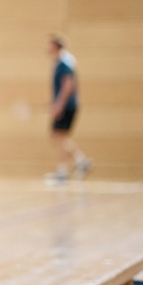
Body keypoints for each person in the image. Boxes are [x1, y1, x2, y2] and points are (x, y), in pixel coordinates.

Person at [45, 35, 91, 182]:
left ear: (56, 46)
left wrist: (59, 104)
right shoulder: (61, 61)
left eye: (49, 44)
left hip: (67, 105)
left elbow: (68, 85)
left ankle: (64, 170)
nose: (47, 47)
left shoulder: (65, 62)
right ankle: (80, 161)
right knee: (59, 136)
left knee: (58, 135)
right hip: (67, 104)